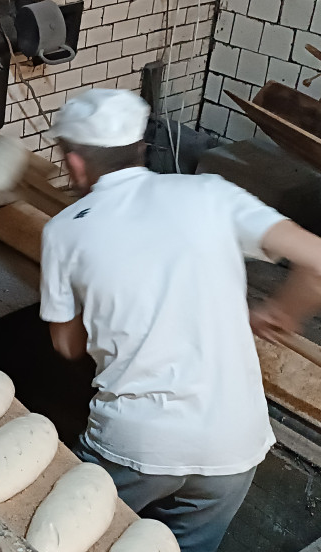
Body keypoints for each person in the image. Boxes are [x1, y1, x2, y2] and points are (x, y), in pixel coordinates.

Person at [39, 87, 321, 552]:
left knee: (64, 533)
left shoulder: (63, 230)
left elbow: (67, 346)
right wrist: (280, 313)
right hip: (234, 445)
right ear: (140, 149)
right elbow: (315, 261)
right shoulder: (211, 194)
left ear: (75, 164)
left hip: (136, 445)